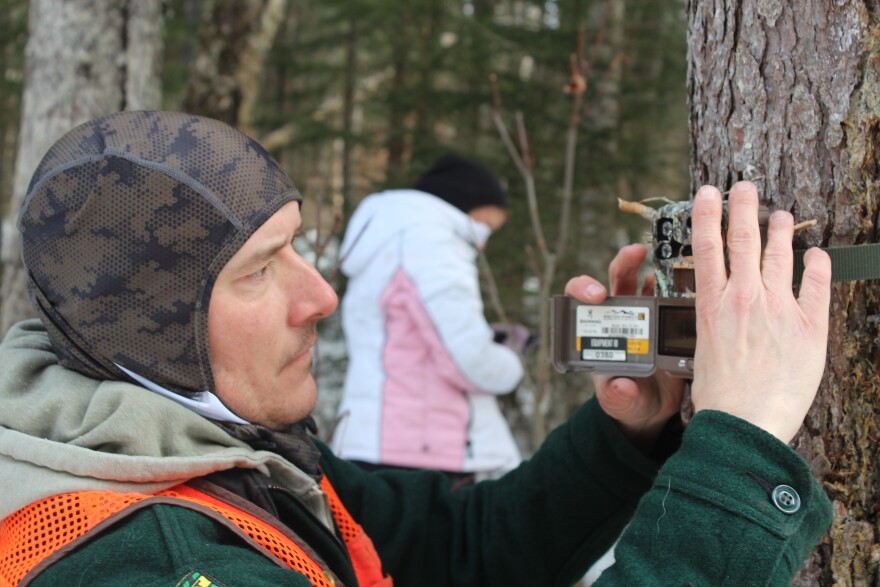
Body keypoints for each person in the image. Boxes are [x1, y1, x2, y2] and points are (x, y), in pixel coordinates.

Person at [0, 110, 833, 586]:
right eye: (257, 272)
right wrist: (738, 451)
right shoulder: (145, 562)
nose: (321, 295)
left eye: (298, 246)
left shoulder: (203, 448)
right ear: (154, 330)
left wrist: (629, 435)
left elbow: (461, 552)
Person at [331, 154, 524, 482]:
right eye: (485, 228)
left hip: (373, 440)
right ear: (465, 206)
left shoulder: (390, 235)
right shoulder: (430, 241)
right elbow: (467, 359)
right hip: (423, 447)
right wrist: (511, 362)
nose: (482, 245)